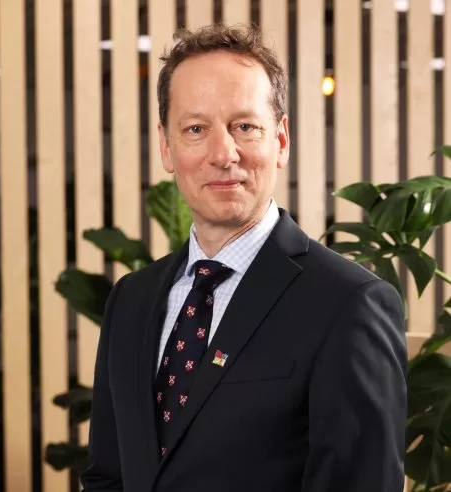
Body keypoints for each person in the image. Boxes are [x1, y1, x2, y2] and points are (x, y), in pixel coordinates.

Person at [80, 24, 407, 492]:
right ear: (166, 146)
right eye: (196, 129)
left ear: (281, 140)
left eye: (244, 127)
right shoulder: (130, 300)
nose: (223, 154)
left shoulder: (348, 304)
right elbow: (108, 476)